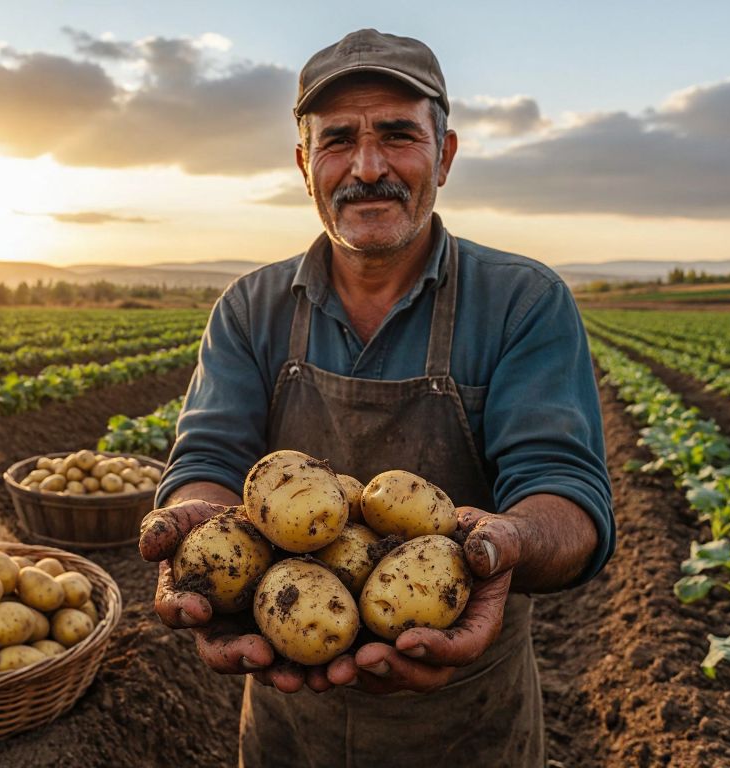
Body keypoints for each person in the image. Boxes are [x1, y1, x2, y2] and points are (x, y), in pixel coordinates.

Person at [138, 28, 614, 767]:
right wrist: (197, 535)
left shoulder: (524, 301)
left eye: (398, 134)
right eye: (337, 141)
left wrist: (502, 543)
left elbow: (567, 496)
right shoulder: (249, 308)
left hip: (470, 719)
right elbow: (208, 458)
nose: (367, 167)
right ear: (304, 165)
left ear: (444, 156)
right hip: (289, 720)